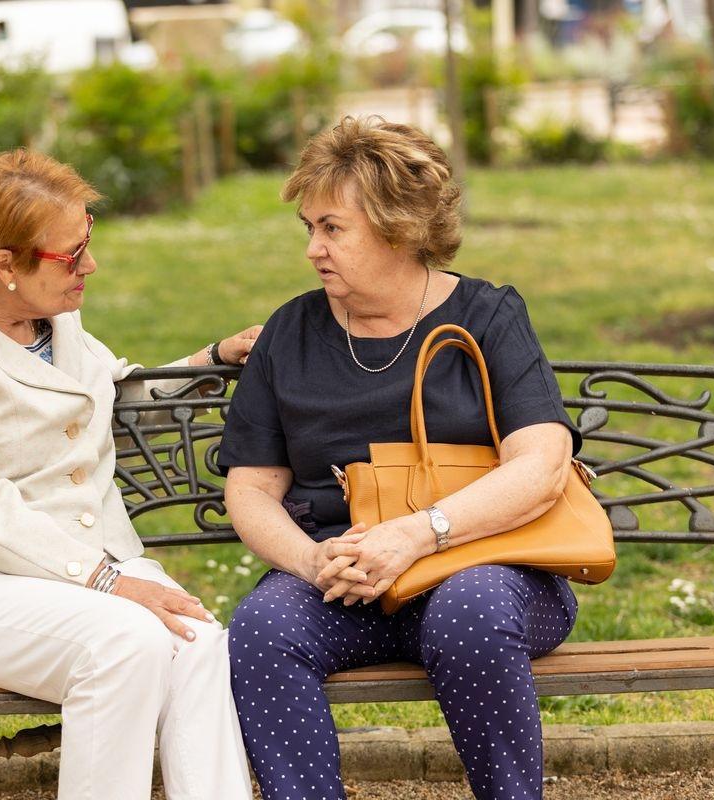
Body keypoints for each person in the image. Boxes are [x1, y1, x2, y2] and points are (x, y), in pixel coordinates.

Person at [0, 149, 259, 800]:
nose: (90, 266)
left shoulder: (54, 319)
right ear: (4, 265)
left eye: (88, 242)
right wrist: (106, 581)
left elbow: (108, 398)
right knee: (126, 643)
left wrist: (210, 359)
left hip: (78, 575)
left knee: (195, 639)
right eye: (71, 254)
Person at [218, 115, 581, 800]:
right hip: (347, 582)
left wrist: (417, 533)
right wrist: (311, 560)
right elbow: (252, 490)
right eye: (309, 228)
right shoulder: (290, 332)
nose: (313, 249)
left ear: (398, 228)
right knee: (264, 628)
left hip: (486, 566)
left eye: (333, 228)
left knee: (468, 611)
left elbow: (542, 466)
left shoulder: (487, 317)